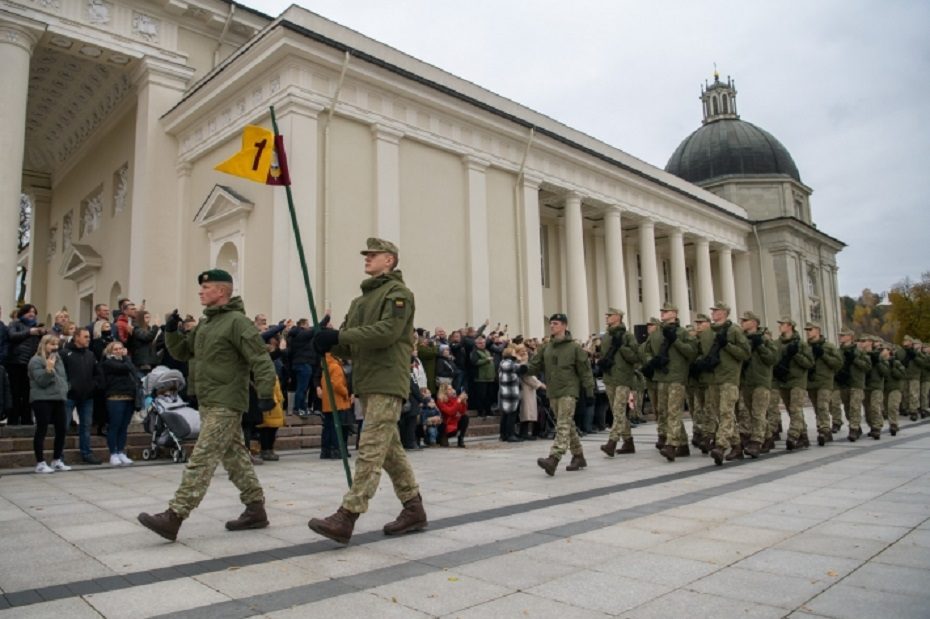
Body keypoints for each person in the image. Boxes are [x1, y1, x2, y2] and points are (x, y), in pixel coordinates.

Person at [138, 268, 278, 541]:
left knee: (202, 457)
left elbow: (260, 359)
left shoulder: (238, 322)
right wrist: (171, 331)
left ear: (222, 291)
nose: (201, 292)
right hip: (207, 399)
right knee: (235, 457)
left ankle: (175, 515)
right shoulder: (206, 323)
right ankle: (255, 509)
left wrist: (264, 393)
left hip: (227, 401)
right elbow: (183, 351)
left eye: (207, 288)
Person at [307, 238, 426, 545]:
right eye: (366, 255)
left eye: (373, 255)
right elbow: (349, 345)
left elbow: (387, 332)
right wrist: (327, 340)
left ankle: (347, 515)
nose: (367, 258)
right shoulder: (360, 301)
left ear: (390, 260)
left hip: (388, 380)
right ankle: (414, 508)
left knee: (371, 448)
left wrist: (341, 334)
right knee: (389, 451)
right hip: (366, 381)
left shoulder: (399, 294)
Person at [524, 313, 594, 476]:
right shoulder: (546, 348)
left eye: (555, 323)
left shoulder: (574, 348)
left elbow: (585, 370)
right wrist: (524, 369)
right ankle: (578, 456)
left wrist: (589, 390)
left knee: (562, 424)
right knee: (567, 425)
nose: (552, 326)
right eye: (551, 323)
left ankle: (553, 459)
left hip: (569, 390)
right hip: (553, 390)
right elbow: (536, 365)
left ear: (564, 326)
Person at [643, 303, 697, 463]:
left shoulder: (682, 333)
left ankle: (672, 445)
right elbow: (647, 351)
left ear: (674, 313)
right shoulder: (657, 334)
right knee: (664, 412)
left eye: (666, 312)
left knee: (674, 411)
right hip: (661, 377)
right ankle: (682, 444)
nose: (663, 313)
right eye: (662, 311)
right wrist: (652, 362)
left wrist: (676, 341)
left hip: (676, 376)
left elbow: (691, 352)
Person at [597, 307, 641, 457]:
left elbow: (635, 357)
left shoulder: (628, 336)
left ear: (618, 317)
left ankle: (612, 442)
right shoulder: (606, 336)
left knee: (619, 411)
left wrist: (621, 346)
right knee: (618, 412)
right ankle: (628, 442)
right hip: (610, 377)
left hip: (623, 378)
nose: (607, 317)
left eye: (610, 315)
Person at [28, 334, 71, 473]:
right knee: (42, 429)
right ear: (44, 345)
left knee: (62, 429)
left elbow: (63, 377)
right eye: (52, 344)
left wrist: (65, 388)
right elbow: (41, 381)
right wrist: (48, 369)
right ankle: (40, 463)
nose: (55, 348)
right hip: (42, 399)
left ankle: (57, 460)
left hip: (58, 398)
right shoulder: (35, 360)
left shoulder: (58, 358)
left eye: (56, 344)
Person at [772, 317, 814, 450]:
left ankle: (793, 436)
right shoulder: (777, 344)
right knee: (791, 410)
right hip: (783, 381)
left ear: (790, 326)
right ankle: (804, 436)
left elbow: (809, 363)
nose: (780, 326)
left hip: (797, 381)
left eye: (782, 324)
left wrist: (796, 355)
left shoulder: (801, 344)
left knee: (796, 409)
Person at [96, 341, 141, 466]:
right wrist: (127, 358)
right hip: (115, 397)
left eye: (120, 349)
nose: (119, 351)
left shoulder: (126, 361)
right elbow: (125, 368)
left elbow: (133, 370)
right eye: (115, 349)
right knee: (115, 425)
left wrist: (126, 359)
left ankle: (121, 451)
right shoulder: (108, 363)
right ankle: (113, 453)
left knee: (124, 426)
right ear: (110, 351)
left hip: (129, 396)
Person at [739, 312, 777, 456]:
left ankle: (756, 441)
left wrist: (760, 346)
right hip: (747, 381)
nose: (742, 322)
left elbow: (772, 358)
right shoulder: (742, 339)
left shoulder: (765, 339)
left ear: (754, 322)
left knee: (758, 412)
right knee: (751, 412)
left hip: (761, 381)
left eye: (745, 320)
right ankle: (767, 438)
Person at [61, 327, 101, 464]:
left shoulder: (90, 354)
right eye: (85, 337)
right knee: (63, 426)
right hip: (69, 396)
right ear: (76, 337)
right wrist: (68, 387)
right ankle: (59, 456)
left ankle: (87, 453)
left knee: (86, 426)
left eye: (89, 337)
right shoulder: (65, 353)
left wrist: (93, 385)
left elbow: (97, 373)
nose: (88, 339)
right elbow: (61, 374)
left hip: (87, 397)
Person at [6, 304, 48, 425]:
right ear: (22, 313)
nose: (32, 314)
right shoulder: (15, 324)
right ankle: (13, 419)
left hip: (31, 363)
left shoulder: (36, 326)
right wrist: (29, 332)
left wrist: (42, 333)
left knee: (28, 393)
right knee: (15, 392)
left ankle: (27, 419)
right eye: (29, 312)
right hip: (16, 362)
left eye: (34, 312)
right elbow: (12, 336)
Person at [804, 322, 843, 446]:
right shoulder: (805, 347)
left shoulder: (828, 346)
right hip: (811, 382)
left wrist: (823, 355)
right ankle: (821, 427)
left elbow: (838, 364)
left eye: (811, 329)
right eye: (807, 330)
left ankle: (825, 430)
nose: (808, 332)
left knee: (823, 406)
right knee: (816, 407)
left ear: (818, 330)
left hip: (825, 382)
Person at [836, 328, 871, 441]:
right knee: (847, 409)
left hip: (856, 383)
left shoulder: (859, 351)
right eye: (840, 335)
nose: (840, 336)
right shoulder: (838, 352)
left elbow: (867, 366)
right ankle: (855, 426)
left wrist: (855, 359)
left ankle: (854, 429)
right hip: (844, 383)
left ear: (850, 337)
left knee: (855, 407)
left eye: (843, 335)